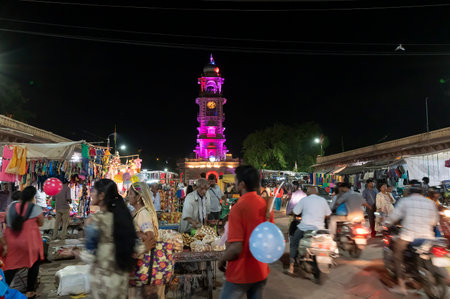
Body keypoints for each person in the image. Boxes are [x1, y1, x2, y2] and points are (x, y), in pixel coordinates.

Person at [218, 165, 272, 299]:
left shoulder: (238, 208)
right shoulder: (265, 206)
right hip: (260, 271)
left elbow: (236, 248)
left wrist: (222, 259)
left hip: (240, 273)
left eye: (236, 181)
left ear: (242, 184)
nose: (234, 184)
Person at [77, 179, 137, 299]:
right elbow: (136, 246)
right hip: (120, 280)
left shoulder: (94, 221)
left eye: (93, 191)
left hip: (102, 283)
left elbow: (89, 255)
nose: (91, 194)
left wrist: (74, 252)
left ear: (102, 195)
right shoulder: (123, 216)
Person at [385, 184, 439, 295]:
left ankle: (401, 286)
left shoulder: (405, 201)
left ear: (409, 192)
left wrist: (385, 223)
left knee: (397, 254)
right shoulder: (430, 202)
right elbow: (434, 221)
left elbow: (394, 216)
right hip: (428, 237)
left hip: (409, 236)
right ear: (422, 192)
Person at [3, 187, 44, 299]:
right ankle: (30, 291)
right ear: (33, 198)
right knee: (34, 264)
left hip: (12, 243)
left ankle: (2, 289)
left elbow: (6, 221)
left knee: (11, 267)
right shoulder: (35, 208)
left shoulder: (11, 206)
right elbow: (40, 223)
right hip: (30, 243)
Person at [127, 182, 164, 299]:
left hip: (143, 263)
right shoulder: (137, 212)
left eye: (130, 193)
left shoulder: (143, 214)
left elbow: (150, 238)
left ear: (138, 197)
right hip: (138, 261)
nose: (127, 195)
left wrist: (134, 233)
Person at [287, 186, 331, 278]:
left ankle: (291, 265)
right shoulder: (322, 200)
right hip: (319, 229)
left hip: (304, 228)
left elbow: (295, 211)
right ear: (317, 193)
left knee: (294, 243)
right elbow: (328, 214)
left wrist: (291, 212)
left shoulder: (304, 200)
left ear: (307, 193)